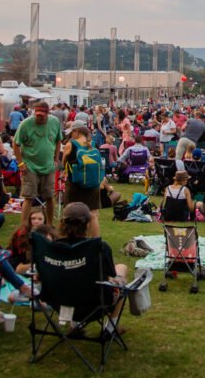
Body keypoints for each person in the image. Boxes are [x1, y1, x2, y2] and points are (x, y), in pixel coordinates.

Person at [56, 202, 129, 334]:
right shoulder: (99, 248)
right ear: (88, 224)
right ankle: (111, 328)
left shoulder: (53, 248)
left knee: (74, 281)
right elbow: (111, 274)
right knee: (121, 270)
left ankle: (75, 324)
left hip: (58, 300)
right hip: (96, 303)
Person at [12, 100, 62, 230]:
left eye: (42, 115)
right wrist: (21, 163)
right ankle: (24, 227)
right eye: (37, 114)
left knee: (50, 196)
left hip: (48, 166)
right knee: (29, 197)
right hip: (30, 166)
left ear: (47, 113)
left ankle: (50, 225)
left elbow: (58, 140)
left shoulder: (54, 122)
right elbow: (15, 144)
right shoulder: (26, 124)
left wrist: (56, 158)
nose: (39, 117)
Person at [60, 124, 104, 236]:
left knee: (69, 211)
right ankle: (95, 242)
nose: (71, 135)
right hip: (93, 182)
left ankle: (66, 239)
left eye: (72, 132)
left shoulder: (71, 145)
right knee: (93, 214)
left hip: (75, 182)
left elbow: (64, 162)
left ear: (77, 131)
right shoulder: (92, 144)